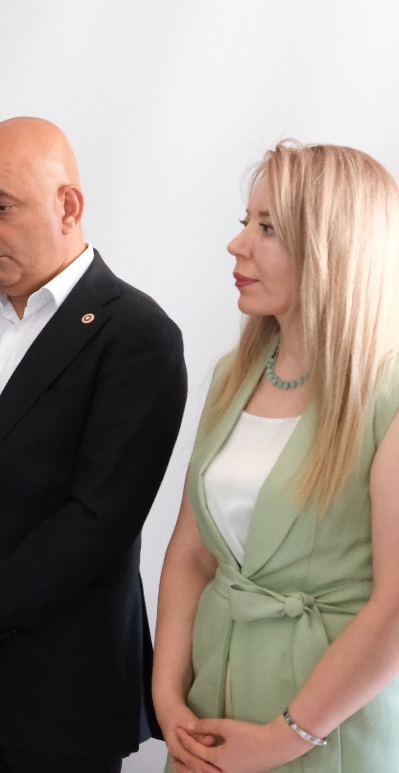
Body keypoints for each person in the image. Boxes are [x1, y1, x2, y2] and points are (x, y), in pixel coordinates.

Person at [0, 117, 186, 772]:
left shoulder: (138, 334)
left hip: (62, 692)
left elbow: (100, 518)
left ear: (68, 205)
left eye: (0, 207)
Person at [153, 142, 399, 773]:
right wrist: (167, 697)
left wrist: (285, 738)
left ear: (332, 247)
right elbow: (191, 555)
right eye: (246, 222)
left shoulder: (389, 392)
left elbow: (396, 607)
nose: (237, 245)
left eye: (267, 228)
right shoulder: (232, 376)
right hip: (213, 703)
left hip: (329, 723)